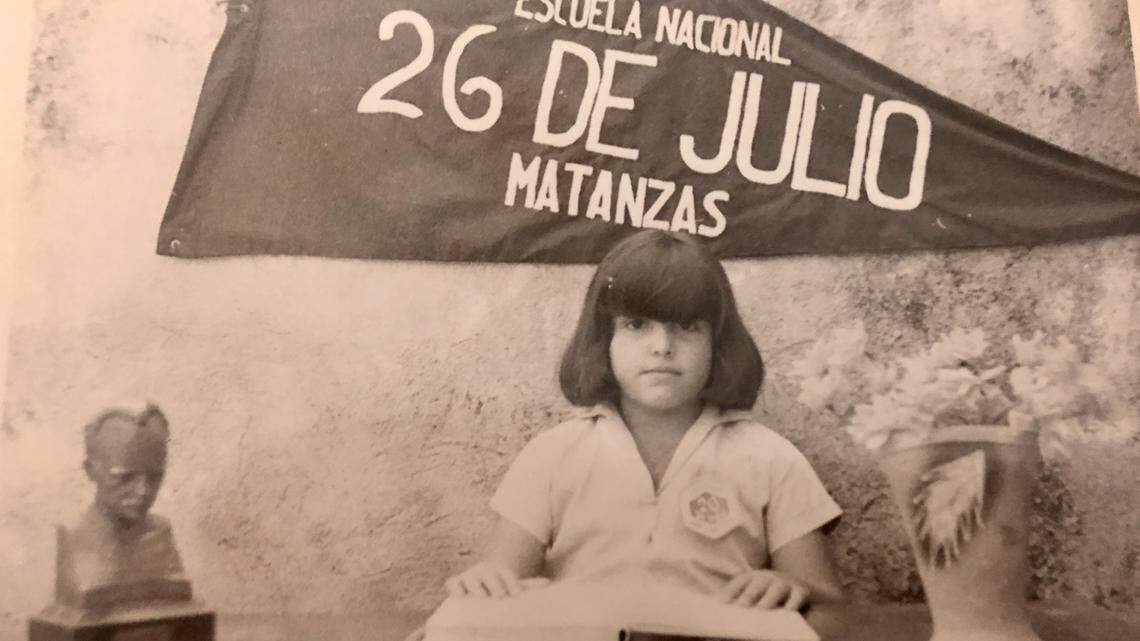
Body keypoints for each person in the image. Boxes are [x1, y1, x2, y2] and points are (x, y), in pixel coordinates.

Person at [445, 230, 844, 611]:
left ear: (717, 345)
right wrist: (486, 583)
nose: (663, 348)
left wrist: (794, 588)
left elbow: (827, 603)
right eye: (637, 326)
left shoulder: (770, 458)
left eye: (688, 327)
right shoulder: (552, 455)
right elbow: (501, 580)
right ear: (605, 341)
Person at [53, 404, 193, 610]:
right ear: (91, 471)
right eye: (125, 478)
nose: (143, 491)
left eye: (155, 478)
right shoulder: (74, 536)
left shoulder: (161, 534)